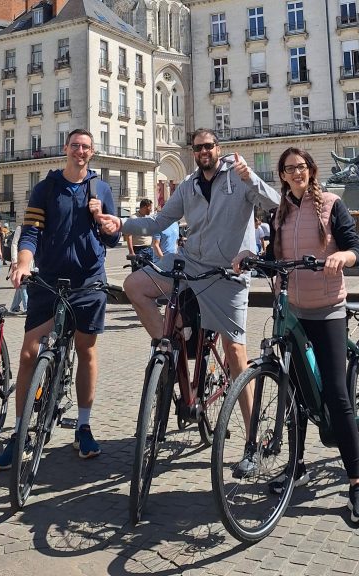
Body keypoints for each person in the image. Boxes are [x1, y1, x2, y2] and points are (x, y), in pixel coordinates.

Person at [97, 128, 280, 472]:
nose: (204, 152)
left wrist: (251, 177)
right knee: (135, 285)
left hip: (228, 273)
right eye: (198, 148)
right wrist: (121, 224)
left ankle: (253, 441)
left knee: (235, 354)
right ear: (193, 152)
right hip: (190, 263)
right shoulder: (189, 185)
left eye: (209, 146)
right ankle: (171, 345)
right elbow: (158, 222)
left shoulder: (239, 178)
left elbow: (275, 204)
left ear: (218, 148)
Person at [231, 147, 359, 526]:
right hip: (293, 309)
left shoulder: (331, 203)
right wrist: (250, 254)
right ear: (281, 175)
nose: (295, 173)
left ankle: (357, 484)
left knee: (336, 394)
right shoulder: (280, 212)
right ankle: (297, 466)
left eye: (300, 167)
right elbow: (272, 250)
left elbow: (356, 247)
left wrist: (341, 259)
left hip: (327, 307)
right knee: (294, 393)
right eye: (288, 169)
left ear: (311, 171)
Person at [0, 128, 120, 469]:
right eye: (75, 145)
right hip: (49, 281)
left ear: (92, 153)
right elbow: (31, 231)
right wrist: (22, 264)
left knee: (86, 350)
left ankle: (83, 425)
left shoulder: (102, 188)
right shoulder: (45, 187)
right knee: (28, 353)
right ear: (66, 149)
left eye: (86, 147)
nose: (80, 151)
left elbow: (113, 239)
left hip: (88, 282)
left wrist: (104, 221)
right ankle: (19, 432)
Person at [126, 198, 154, 270]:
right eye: (150, 208)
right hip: (138, 250)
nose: (151, 210)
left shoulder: (148, 218)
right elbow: (129, 236)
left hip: (149, 249)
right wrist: (131, 252)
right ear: (145, 207)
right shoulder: (134, 218)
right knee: (138, 272)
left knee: (150, 272)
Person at [8, 224, 30, 315]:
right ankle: (27, 308)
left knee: (21, 284)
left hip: (31, 261)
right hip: (20, 260)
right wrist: (14, 261)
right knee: (23, 283)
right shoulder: (20, 228)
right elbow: (14, 244)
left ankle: (14, 307)